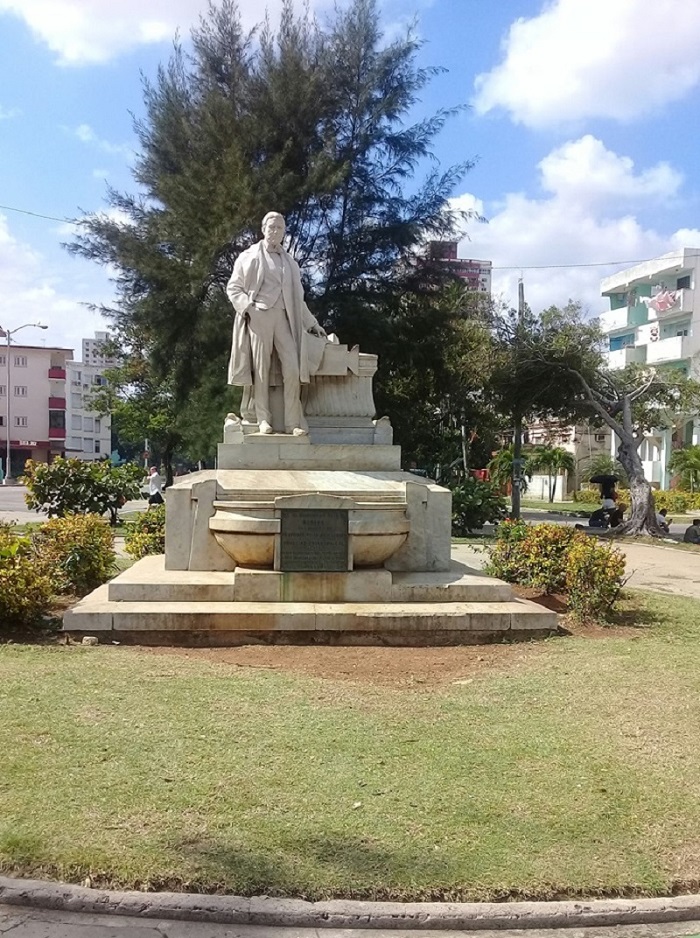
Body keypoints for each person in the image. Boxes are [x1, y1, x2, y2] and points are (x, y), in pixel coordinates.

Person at [226, 212, 327, 436]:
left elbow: (297, 299)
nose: (275, 232)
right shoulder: (249, 256)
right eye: (271, 227)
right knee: (260, 370)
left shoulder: (290, 263)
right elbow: (234, 288)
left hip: (285, 317)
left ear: (284, 232)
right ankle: (263, 420)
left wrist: (311, 323)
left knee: (292, 368)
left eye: (280, 228)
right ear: (263, 229)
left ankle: (293, 423)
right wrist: (249, 309)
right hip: (259, 315)